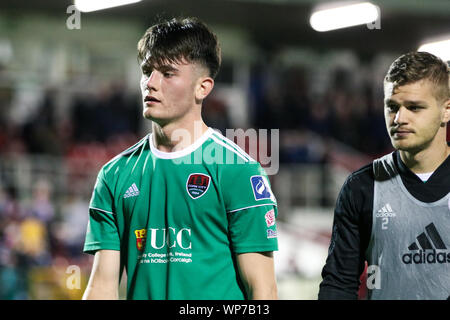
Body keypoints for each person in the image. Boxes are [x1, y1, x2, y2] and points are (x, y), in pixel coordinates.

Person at [82, 17, 278, 300]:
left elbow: (263, 290)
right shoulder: (114, 175)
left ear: (203, 87)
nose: (150, 83)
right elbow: (102, 286)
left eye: (167, 73)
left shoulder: (239, 171)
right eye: (147, 71)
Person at [318, 51, 450, 300]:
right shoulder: (362, 187)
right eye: (392, 107)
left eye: (414, 107)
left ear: (446, 111)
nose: (399, 119)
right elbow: (339, 283)